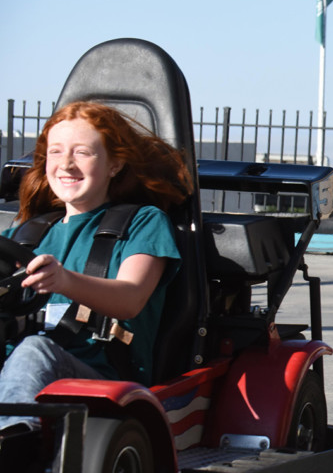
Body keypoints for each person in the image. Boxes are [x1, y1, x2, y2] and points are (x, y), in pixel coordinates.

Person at [0, 101, 191, 429]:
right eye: (56, 152)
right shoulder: (24, 232)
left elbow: (130, 299)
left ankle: (13, 447)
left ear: (115, 164)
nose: (66, 164)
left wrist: (64, 281)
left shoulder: (143, 222)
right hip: (15, 368)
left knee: (35, 350)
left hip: (102, 378)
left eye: (83, 153)